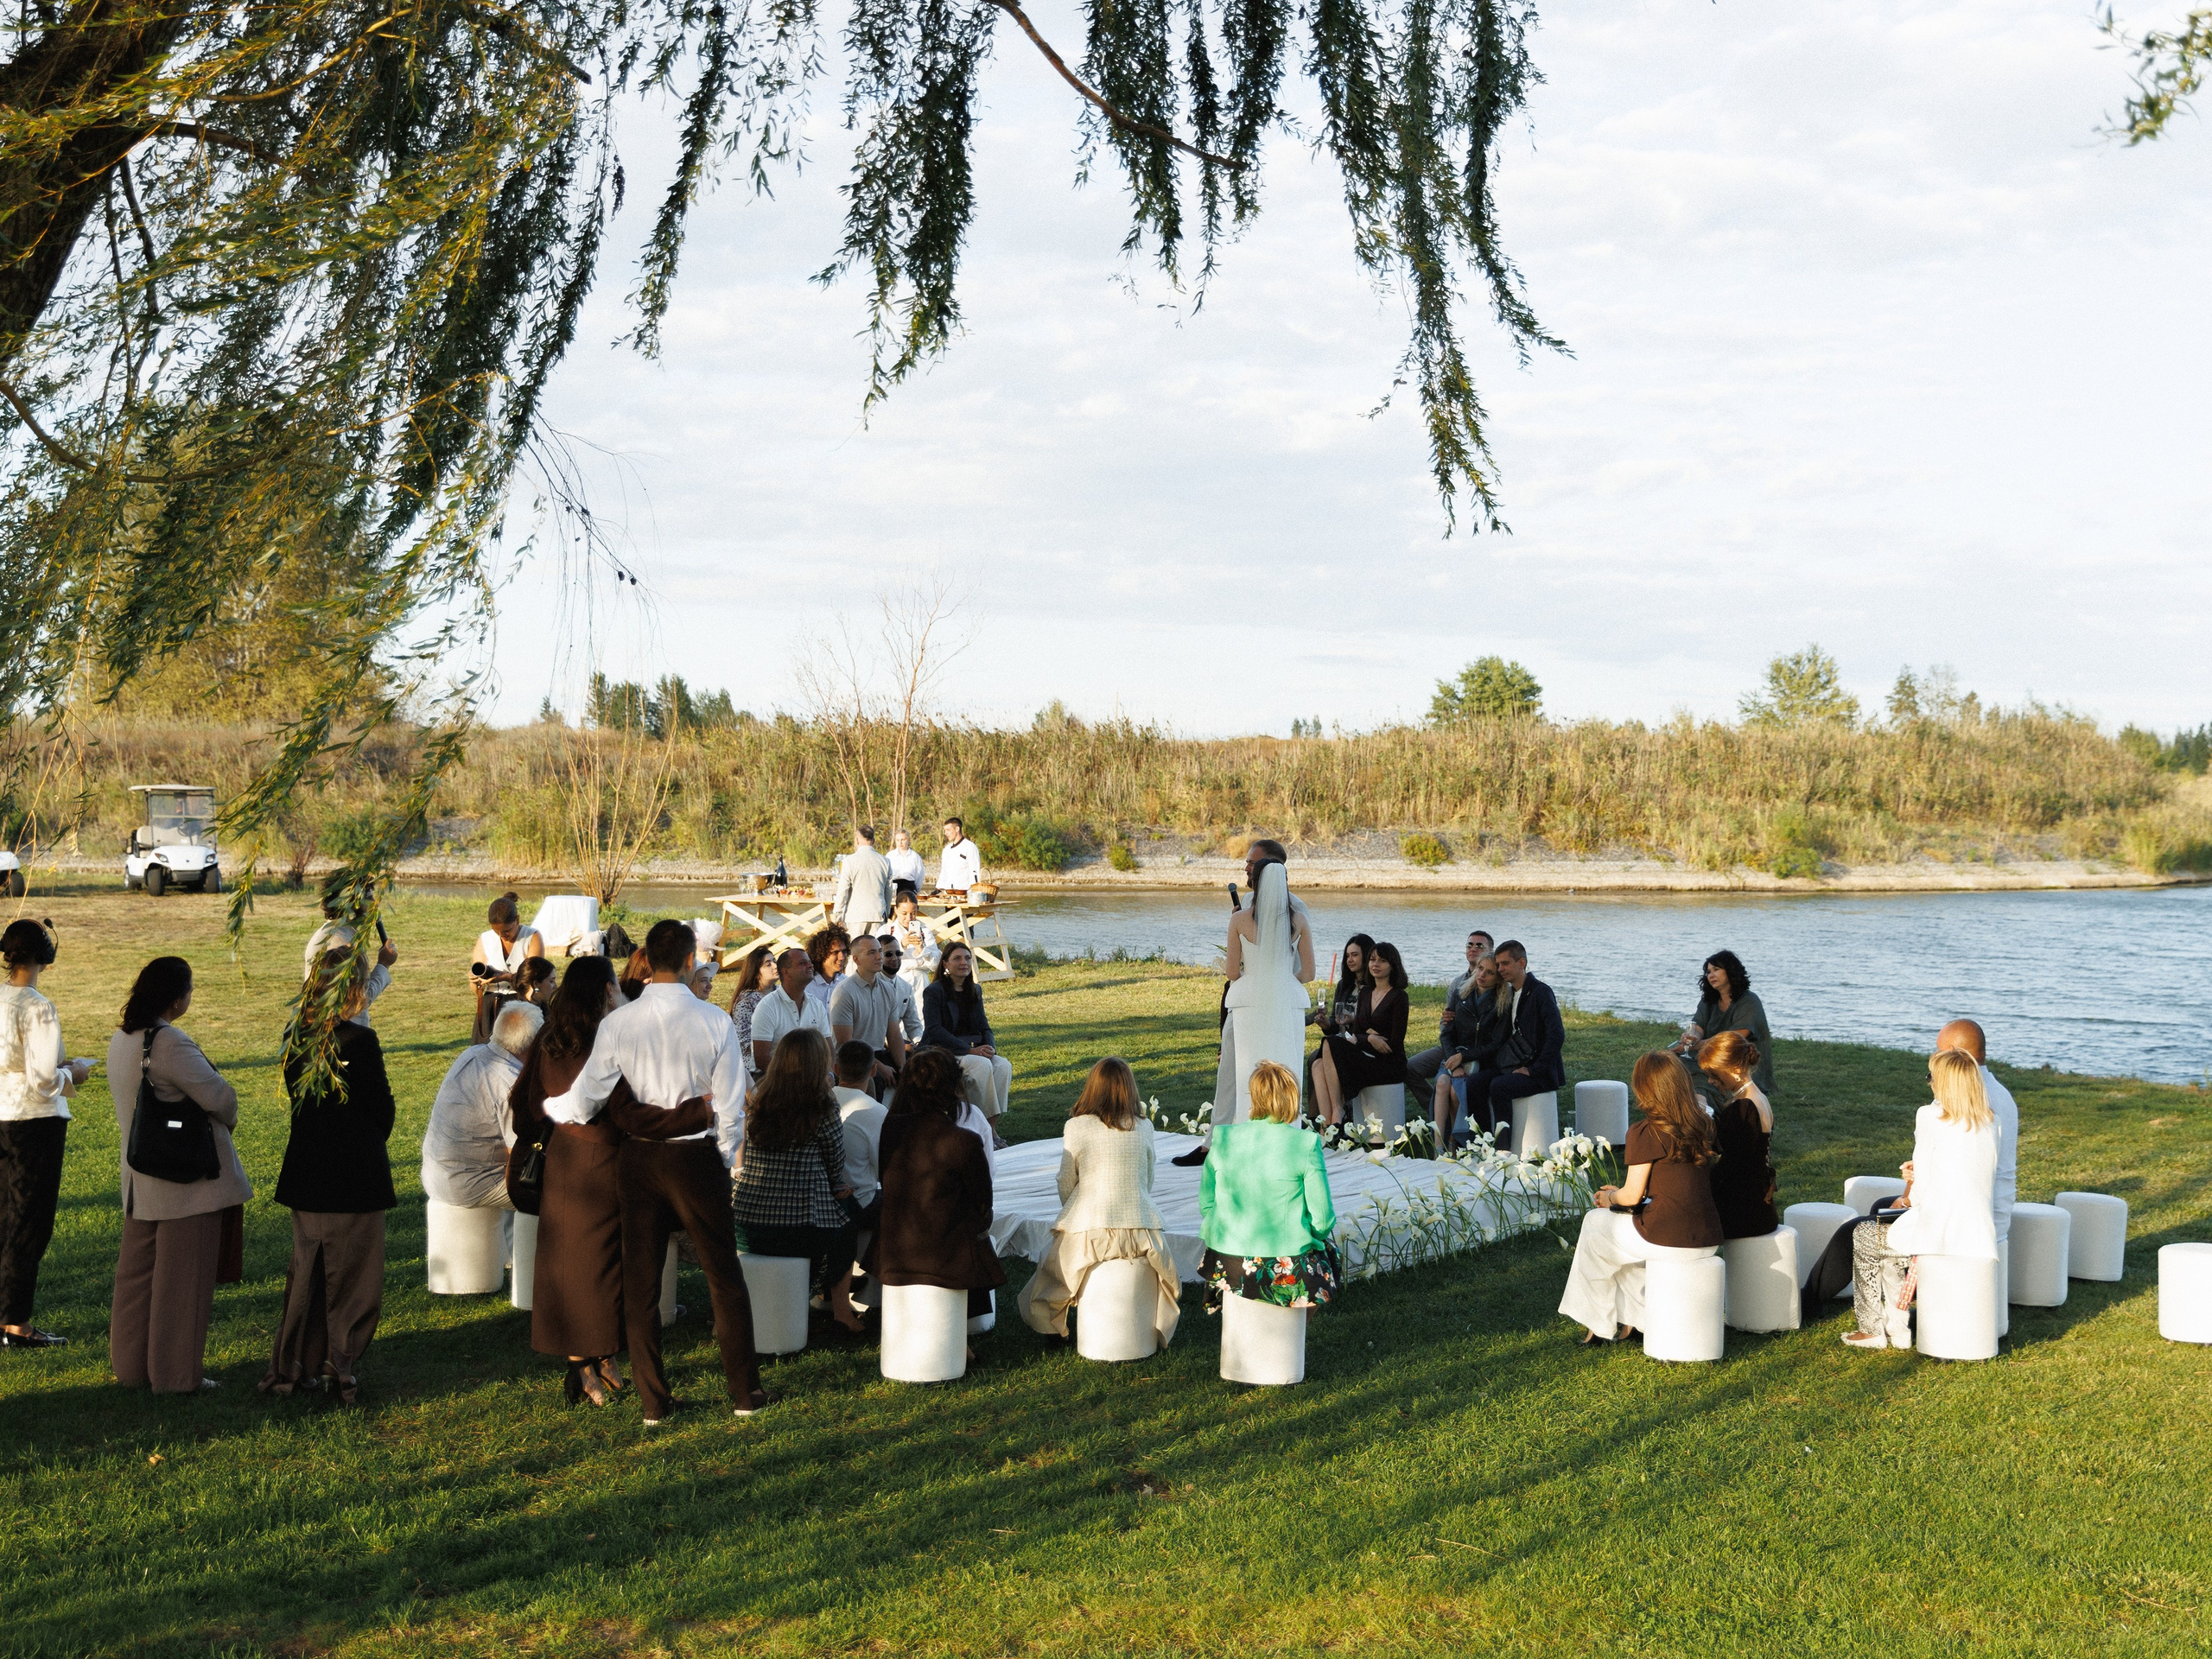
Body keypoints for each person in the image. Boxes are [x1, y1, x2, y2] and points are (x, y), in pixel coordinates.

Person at [543, 919, 760, 1423]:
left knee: (641, 1284)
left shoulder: (620, 1023)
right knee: (723, 1277)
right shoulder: (713, 1021)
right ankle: (744, 1395)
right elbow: (731, 1106)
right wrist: (725, 1156)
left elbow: (586, 1096)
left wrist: (551, 1109)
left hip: (639, 1159)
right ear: (689, 961)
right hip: (693, 1156)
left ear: (647, 957)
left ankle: (654, 1403)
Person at [510, 957, 707, 1408]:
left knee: (580, 1264)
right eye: (616, 987)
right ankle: (584, 1363)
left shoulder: (550, 1037)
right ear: (603, 991)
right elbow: (626, 1110)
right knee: (598, 1270)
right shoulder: (606, 1040)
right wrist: (697, 1112)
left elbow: (523, 1103)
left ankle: (598, 1358)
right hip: (604, 1164)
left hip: (564, 1161)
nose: (622, 993)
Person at [1799, 1016, 2019, 1320]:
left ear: (1953, 1054)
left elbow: (1928, 1190)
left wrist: (1908, 1195)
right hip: (1989, 1211)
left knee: (1857, 1229)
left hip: (1960, 1221)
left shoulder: (1951, 1104)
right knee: (1880, 1208)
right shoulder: (1999, 1096)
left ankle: (1808, 1302)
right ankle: (1889, 1297)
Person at [106, 956, 247, 1392]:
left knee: (137, 1281)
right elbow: (221, 1100)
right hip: (186, 1180)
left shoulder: (121, 1039)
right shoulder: (169, 1043)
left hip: (140, 1180)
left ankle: (132, 1368)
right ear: (176, 998)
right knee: (183, 1282)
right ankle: (175, 1376)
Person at [262, 954, 398, 1402]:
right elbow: (380, 1106)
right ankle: (340, 1362)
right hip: (354, 1172)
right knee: (353, 1275)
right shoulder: (359, 1041)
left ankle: (295, 1362)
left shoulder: (297, 1036)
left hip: (309, 1168)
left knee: (308, 1272)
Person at [1558, 1052, 1723, 1344]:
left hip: (1669, 1237)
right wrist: (1618, 1196)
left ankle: (1597, 1326)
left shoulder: (1646, 1131)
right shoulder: (1702, 1124)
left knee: (1596, 1225)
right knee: (1616, 1240)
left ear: (1644, 1089)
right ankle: (1634, 1322)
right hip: (1708, 1235)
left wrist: (1610, 1199)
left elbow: (1631, 1195)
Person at [1840, 1048, 1999, 1351]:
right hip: (1978, 1232)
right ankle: (1897, 1326)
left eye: (1931, 1077)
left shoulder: (1929, 1116)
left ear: (1943, 1084)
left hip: (1940, 1232)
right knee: (1887, 1231)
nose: (1929, 1084)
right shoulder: (1993, 1122)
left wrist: (1909, 1190)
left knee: (1864, 1234)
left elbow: (1919, 1197)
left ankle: (1871, 1328)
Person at [1018, 1058, 1180, 1348]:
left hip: (1089, 1226)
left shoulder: (1077, 1126)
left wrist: (1073, 1209)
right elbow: (1148, 1179)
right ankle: (1148, 1332)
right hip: (1141, 1228)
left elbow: (1066, 1180)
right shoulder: (1143, 1127)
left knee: (1052, 1277)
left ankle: (1054, 1330)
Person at [1182, 839, 1313, 1167]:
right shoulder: (1269, 911)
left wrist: (1257, 976)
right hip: (1275, 1001)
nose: (1246, 868)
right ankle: (1218, 1141)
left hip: (1253, 998)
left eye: (1251, 863)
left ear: (1271, 866)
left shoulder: (1295, 909)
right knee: (1237, 1071)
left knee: (1257, 1074)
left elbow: (1237, 969)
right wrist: (1279, 984)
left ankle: (1243, 1146)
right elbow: (1305, 972)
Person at [864, 1046, 1004, 1341]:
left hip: (893, 1247)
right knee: (971, 1229)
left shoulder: (889, 1127)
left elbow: (883, 1177)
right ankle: (959, 1330)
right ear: (954, 1086)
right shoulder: (965, 1137)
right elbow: (984, 1199)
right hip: (945, 1256)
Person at [732, 1030, 865, 1332]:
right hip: (798, 1227)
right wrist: (835, 1187)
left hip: (746, 1221)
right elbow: (835, 1159)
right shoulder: (822, 1104)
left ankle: (823, 1283)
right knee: (848, 1220)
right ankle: (841, 1309)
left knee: (836, 1216)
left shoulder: (759, 1099)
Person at [0, 918, 91, 1350]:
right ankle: (15, 1324)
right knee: (29, 1221)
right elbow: (42, 1080)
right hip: (34, 1121)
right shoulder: (38, 1007)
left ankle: (6, 1315)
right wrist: (74, 1072)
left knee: (3, 1215)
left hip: (1, 1112)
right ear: (42, 957)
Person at [1198, 1059, 1339, 1313]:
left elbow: (1206, 1202)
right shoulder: (1305, 1143)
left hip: (1226, 1255)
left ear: (1254, 1097)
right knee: (1324, 1256)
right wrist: (1310, 1235)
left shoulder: (1224, 1137)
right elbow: (1323, 1218)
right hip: (1283, 1259)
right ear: (1292, 1098)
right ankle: (1294, 1336)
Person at [421, 1001, 541, 1214]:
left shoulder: (471, 1054)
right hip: (471, 1184)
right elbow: (519, 1156)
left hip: (436, 1174)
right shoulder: (511, 1083)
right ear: (533, 1044)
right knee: (562, 1194)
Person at [1223, 858, 1316, 1122]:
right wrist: (1283, 979)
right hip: (1288, 1000)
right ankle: (1288, 1128)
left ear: (1256, 884)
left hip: (1249, 1002)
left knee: (1249, 1072)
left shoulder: (1239, 920)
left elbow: (1231, 972)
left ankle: (1248, 1127)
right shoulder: (1299, 921)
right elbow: (1308, 973)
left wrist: (1253, 977)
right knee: (1288, 1068)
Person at [1311, 941, 1410, 1128]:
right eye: (1373, 960)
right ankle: (1328, 1126)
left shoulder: (1399, 997)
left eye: (1382, 961)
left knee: (1331, 1042)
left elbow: (1394, 1043)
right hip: (1367, 1054)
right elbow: (1358, 1033)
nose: (1375, 964)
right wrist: (1371, 1037)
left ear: (1392, 965)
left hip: (1388, 1064)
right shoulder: (1366, 992)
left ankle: (1338, 1111)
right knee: (1317, 1064)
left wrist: (1364, 1037)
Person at [1936, 1018, 2017, 1249]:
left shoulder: (1965, 1098)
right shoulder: (2002, 1094)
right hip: (1999, 1211)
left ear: (1953, 1054)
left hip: (1971, 1219)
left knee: (1870, 1223)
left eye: (1940, 1052)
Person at [921, 943, 1014, 1135]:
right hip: (943, 1051)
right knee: (981, 1066)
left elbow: (984, 1026)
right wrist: (970, 1050)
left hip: (974, 1050)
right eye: (957, 958)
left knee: (1003, 1065)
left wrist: (990, 1048)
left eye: (967, 958)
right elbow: (934, 1030)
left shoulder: (975, 990)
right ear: (945, 963)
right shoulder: (934, 991)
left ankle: (991, 1128)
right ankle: (976, 1125)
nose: (964, 962)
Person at [1475, 941, 1566, 1135]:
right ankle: (1481, 1143)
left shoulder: (1540, 991)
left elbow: (1556, 1034)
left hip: (1540, 1073)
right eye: (1498, 965)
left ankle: (1503, 1148)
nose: (1500, 969)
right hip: (1515, 1063)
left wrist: (1535, 1070)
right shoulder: (1511, 993)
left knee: (1499, 1086)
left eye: (1505, 963)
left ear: (1522, 962)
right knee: (1475, 1083)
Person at [1699, 1030, 1777, 1238]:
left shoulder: (1744, 1107)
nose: (1710, 1081)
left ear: (1735, 1069)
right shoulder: (1757, 1097)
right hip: (1759, 1201)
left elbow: (1730, 1161)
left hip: (1743, 1210)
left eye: (1714, 1075)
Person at [1670, 950, 1774, 1102]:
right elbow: (1697, 1026)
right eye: (1708, 972)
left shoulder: (1749, 1001)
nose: (1711, 975)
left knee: (1698, 1071)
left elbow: (1732, 1040)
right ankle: (1686, 1100)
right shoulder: (1709, 1000)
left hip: (1739, 1063)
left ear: (1730, 970)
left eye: (1716, 970)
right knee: (1671, 1060)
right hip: (1710, 1054)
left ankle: (1702, 1102)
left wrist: (1695, 1046)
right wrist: (1691, 1038)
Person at [1432, 952, 1511, 1145]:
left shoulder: (1502, 1005)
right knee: (1442, 1083)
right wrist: (1455, 1059)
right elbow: (1446, 1033)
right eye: (1480, 969)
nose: (1482, 975)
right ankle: (1437, 1146)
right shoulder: (1461, 994)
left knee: (1454, 1091)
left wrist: (1464, 1057)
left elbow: (1496, 1044)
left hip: (1481, 1062)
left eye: (1490, 972)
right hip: (1454, 1058)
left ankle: (1455, 1141)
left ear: (1499, 980)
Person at [1405, 929, 1495, 1097]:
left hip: (1481, 1051)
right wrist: (1452, 1054)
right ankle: (1435, 1109)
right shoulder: (1457, 984)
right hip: (1452, 1046)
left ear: (1490, 951)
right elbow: (1446, 1023)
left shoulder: (1500, 984)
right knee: (1409, 1068)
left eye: (1480, 945)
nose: (1473, 948)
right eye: (1470, 944)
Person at [304, 875, 397, 1027]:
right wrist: (383, 965)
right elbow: (359, 998)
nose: (375, 902)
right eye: (368, 897)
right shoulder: (339, 942)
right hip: (341, 1036)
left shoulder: (340, 933)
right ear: (351, 903)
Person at [829, 933, 906, 1093]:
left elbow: (894, 1034)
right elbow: (845, 1042)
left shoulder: (888, 989)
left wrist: (903, 1066)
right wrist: (879, 1067)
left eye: (880, 951)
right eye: (871, 953)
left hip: (878, 1053)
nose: (879, 957)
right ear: (856, 960)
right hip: (852, 1059)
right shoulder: (844, 992)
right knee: (876, 1079)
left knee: (918, 1070)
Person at [472, 891, 543, 1041]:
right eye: (496, 931)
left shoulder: (532, 936)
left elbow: (534, 979)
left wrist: (505, 977)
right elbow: (476, 990)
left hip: (523, 1003)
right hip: (491, 1007)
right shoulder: (485, 939)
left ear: (517, 920)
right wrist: (474, 981)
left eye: (506, 931)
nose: (501, 935)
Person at [749, 947, 832, 1074]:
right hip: (772, 1078)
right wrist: (796, 1080)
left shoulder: (816, 1004)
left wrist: (829, 1074)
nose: (810, 966)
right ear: (786, 972)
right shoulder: (768, 1006)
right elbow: (761, 1060)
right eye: (803, 963)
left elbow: (829, 1049)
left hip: (811, 1077)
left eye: (810, 962)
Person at [834, 824, 896, 933]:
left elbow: (843, 891)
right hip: (878, 913)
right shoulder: (885, 861)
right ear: (874, 841)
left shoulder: (850, 861)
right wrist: (886, 912)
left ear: (857, 841)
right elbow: (889, 890)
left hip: (855, 915)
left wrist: (838, 915)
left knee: (856, 948)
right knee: (876, 948)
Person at [725, 945, 777, 1070]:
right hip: (754, 1067)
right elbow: (743, 1042)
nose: (775, 966)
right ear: (756, 973)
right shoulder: (746, 1001)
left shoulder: (781, 993)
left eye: (774, 961)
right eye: (768, 964)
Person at [885, 890, 940, 989]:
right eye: (904, 913)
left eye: (913, 913)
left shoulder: (924, 931)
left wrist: (922, 950)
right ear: (896, 910)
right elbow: (880, 958)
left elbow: (936, 965)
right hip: (896, 980)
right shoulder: (887, 930)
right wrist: (901, 945)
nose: (909, 918)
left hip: (921, 982)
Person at [879, 939, 925, 1046]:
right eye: (889, 954)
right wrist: (902, 1047)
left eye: (898, 953)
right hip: (875, 1046)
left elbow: (913, 1024)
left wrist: (919, 1043)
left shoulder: (905, 987)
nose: (895, 958)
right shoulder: (871, 984)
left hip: (898, 1044)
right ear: (878, 956)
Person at [804, 925, 850, 1017]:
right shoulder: (805, 986)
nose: (842, 957)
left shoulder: (847, 984)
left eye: (844, 951)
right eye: (835, 953)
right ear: (820, 954)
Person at [938, 816, 984, 894]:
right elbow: (944, 871)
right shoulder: (946, 850)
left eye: (948, 830)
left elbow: (974, 871)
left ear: (957, 829)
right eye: (945, 830)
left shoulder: (970, 847)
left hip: (965, 894)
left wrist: (975, 893)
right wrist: (939, 887)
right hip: (948, 895)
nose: (945, 833)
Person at [886, 828, 928, 899]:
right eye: (898, 840)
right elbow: (885, 874)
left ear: (908, 840)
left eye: (903, 839)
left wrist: (914, 891)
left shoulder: (915, 857)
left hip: (909, 888)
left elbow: (919, 877)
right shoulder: (890, 856)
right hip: (893, 890)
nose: (900, 843)